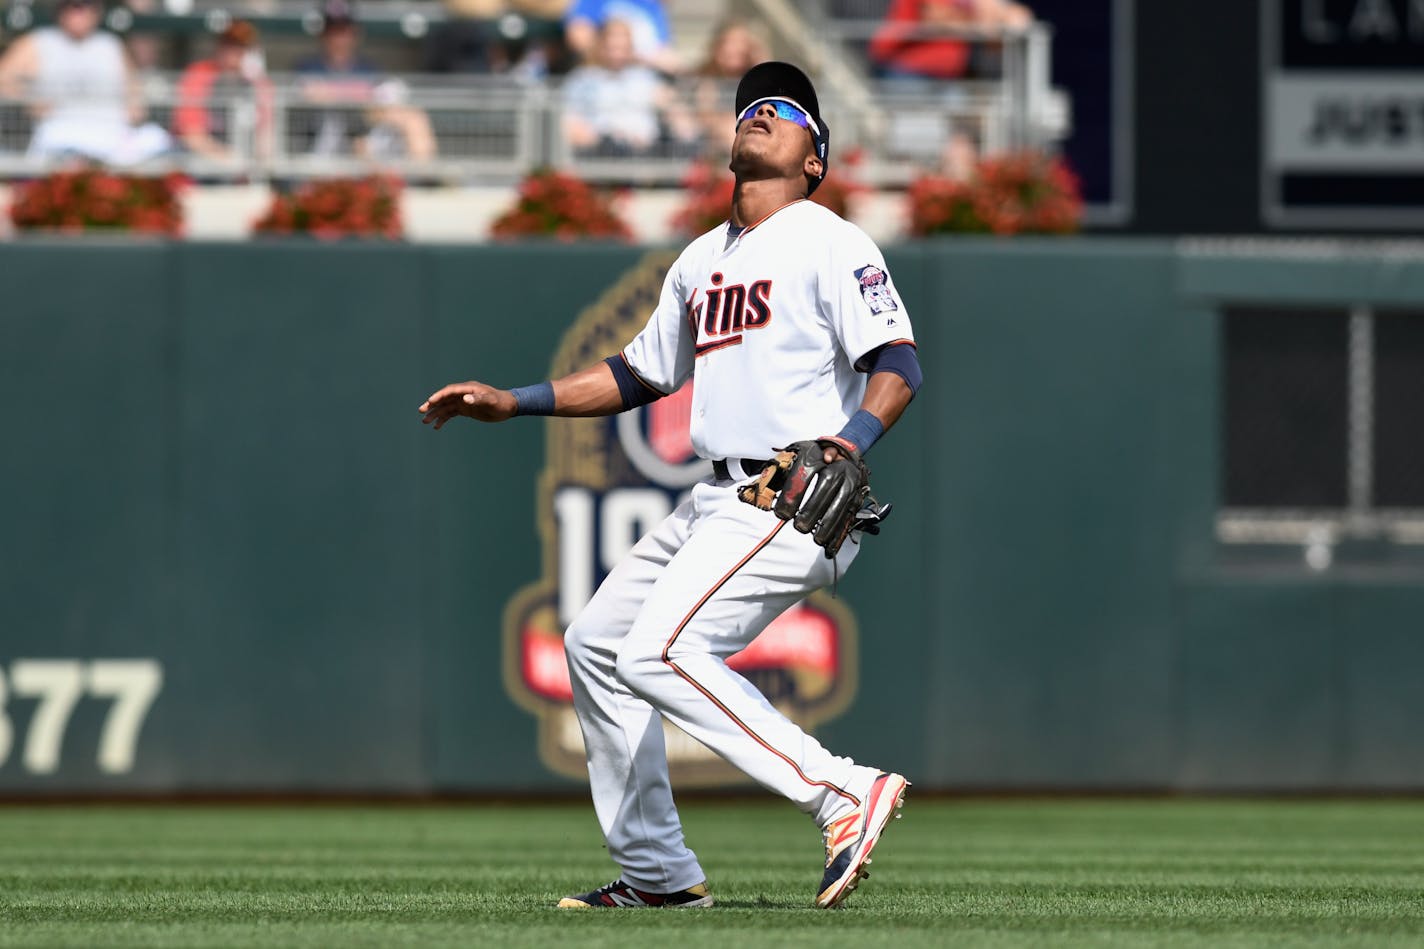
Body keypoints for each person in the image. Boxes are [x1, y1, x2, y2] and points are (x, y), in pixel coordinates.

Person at [420, 61, 922, 910]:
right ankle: (659, 872)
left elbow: (898, 362)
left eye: (783, 111)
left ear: (814, 159)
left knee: (658, 649)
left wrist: (849, 440)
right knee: (595, 647)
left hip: (791, 490)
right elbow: (637, 374)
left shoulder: (831, 240)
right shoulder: (698, 260)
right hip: (714, 499)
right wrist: (516, 402)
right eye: (749, 107)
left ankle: (841, 791)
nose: (758, 114)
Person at [0, 0, 170, 164]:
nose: (79, 11)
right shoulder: (37, 42)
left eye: (87, 5)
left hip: (112, 135)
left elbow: (134, 94)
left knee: (158, 141)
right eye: (73, 5)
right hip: (62, 133)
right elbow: (3, 79)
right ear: (60, 9)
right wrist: (29, 99)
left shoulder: (110, 45)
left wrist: (134, 107)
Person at [295, 0, 435, 160]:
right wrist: (360, 97)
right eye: (333, 31)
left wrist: (340, 95)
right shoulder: (309, 66)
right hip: (323, 146)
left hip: (364, 136)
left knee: (411, 119)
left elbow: (381, 106)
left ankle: (423, 179)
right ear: (323, 34)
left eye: (344, 30)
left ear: (356, 33)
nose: (339, 37)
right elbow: (311, 94)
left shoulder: (369, 69)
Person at [561, 17, 695, 158]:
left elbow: (670, 104)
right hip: (600, 153)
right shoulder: (582, 79)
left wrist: (681, 122)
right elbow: (569, 118)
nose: (616, 54)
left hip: (645, 152)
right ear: (599, 46)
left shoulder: (644, 78)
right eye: (611, 48)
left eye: (622, 48)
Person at [172, 21, 273, 163]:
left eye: (240, 47)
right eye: (228, 44)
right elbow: (191, 136)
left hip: (243, 162)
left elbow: (266, 138)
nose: (232, 52)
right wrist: (228, 158)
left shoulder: (257, 82)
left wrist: (256, 163)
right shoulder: (199, 75)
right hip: (200, 162)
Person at [868, 0, 1033, 81]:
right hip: (905, 70)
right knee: (915, 139)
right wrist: (975, 26)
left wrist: (1005, 19)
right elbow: (935, 17)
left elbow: (1014, 16)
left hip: (946, 78)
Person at [692, 17, 769, 155]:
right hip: (717, 147)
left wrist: (760, 59)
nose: (735, 49)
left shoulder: (753, 77)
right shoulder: (708, 77)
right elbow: (705, 117)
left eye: (741, 43)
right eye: (730, 43)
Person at [564, 0, 679, 74]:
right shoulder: (592, 2)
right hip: (601, 78)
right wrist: (616, 54)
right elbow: (579, 39)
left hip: (644, 78)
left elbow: (665, 52)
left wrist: (630, 56)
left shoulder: (651, 5)